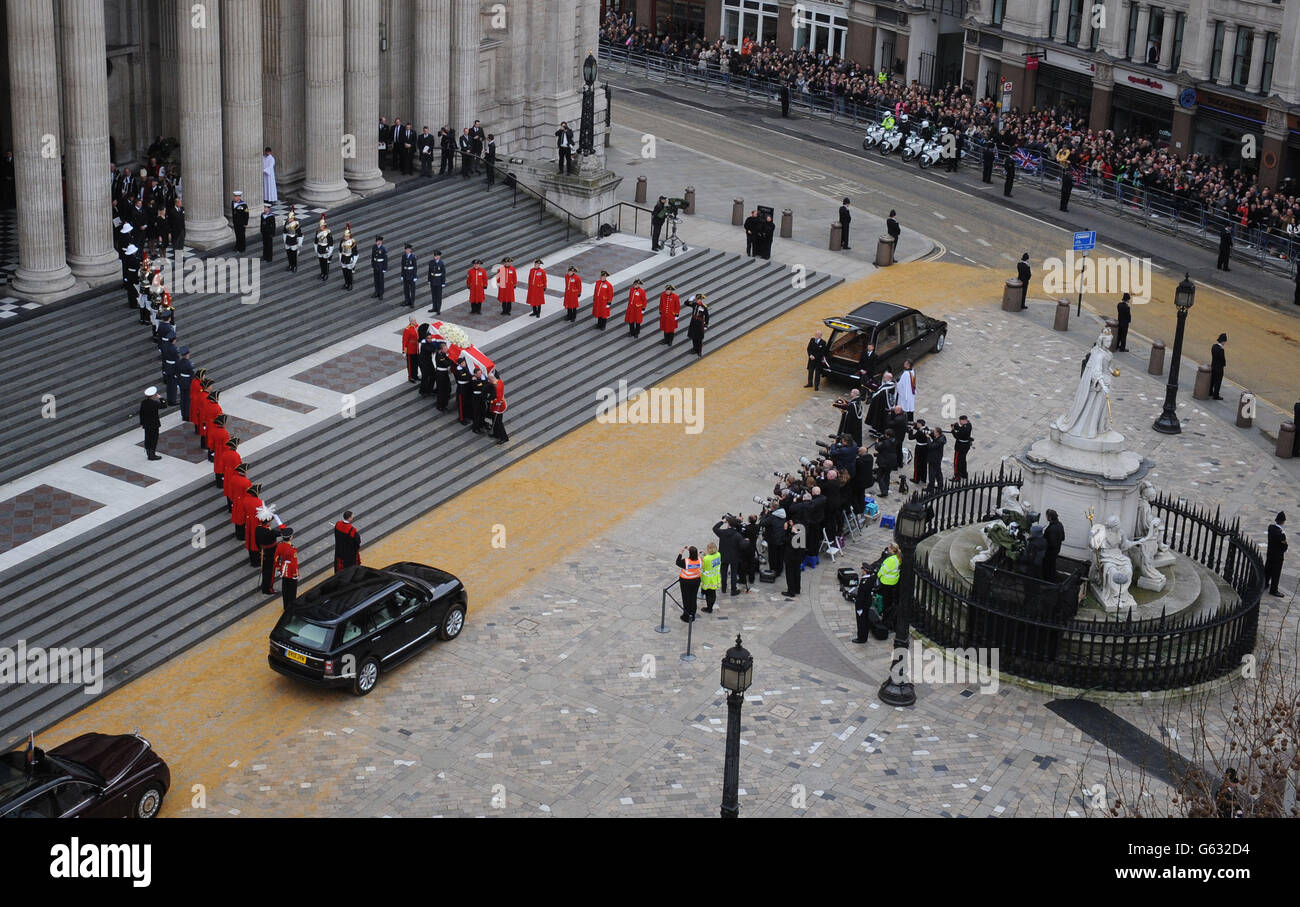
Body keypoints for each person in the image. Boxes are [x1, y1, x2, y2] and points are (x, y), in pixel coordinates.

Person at [713, 517, 744, 597]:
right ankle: (733, 590)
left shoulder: (722, 532)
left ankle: (723, 588)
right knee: (733, 573)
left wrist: (722, 521)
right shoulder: (737, 535)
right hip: (734, 556)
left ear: (728, 524)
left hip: (723, 555)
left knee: (723, 573)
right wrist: (747, 541)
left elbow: (715, 528)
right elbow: (743, 546)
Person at [255, 505, 282, 591]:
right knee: (270, 572)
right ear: (268, 522)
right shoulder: (269, 532)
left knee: (265, 571)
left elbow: (256, 542)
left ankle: (264, 586)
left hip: (263, 552)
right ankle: (268, 589)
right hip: (271, 553)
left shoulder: (258, 529)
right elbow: (281, 532)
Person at [274, 528, 299, 610]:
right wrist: (295, 574)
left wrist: (278, 568)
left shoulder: (279, 545)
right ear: (290, 537)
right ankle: (291, 608)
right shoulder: (292, 549)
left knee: (285, 590)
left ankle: (286, 606)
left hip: (283, 570)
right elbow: (294, 563)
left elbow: (276, 558)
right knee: (292, 591)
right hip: (291, 572)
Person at [676, 545, 702, 621]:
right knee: (693, 598)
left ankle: (686, 616)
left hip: (686, 581)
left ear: (690, 553)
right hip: (696, 580)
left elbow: (677, 562)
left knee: (686, 598)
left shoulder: (686, 561)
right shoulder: (700, 560)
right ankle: (692, 615)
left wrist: (681, 552)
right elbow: (697, 557)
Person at [877, 544, 901, 624]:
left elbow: (883, 570)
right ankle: (887, 616)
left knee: (886, 602)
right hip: (893, 582)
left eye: (889, 547)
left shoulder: (891, 560)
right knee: (889, 601)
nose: (887, 548)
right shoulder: (897, 558)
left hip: (886, 582)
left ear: (891, 549)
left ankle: (885, 619)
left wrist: (877, 575)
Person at [1265, 512, 1287, 597]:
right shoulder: (1281, 534)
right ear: (1283, 522)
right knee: (1276, 574)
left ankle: (1265, 583)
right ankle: (1273, 590)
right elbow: (1284, 547)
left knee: (1267, 570)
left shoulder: (1270, 528)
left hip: (1270, 554)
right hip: (1277, 557)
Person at [139, 386, 164, 461]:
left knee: (148, 438)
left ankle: (148, 453)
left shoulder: (143, 403)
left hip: (146, 424)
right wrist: (161, 398)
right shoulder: (154, 403)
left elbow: (141, 413)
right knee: (153, 439)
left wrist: (142, 423)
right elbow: (164, 405)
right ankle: (152, 455)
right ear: (153, 395)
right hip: (154, 425)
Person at [1043, 509, 1065, 581]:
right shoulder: (1060, 524)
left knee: (1048, 567)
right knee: (1052, 565)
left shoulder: (1051, 528)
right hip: (1056, 550)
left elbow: (1051, 542)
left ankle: (1047, 581)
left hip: (1049, 552)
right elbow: (1063, 538)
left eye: (1046, 516)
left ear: (1050, 517)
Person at [488, 370, 509, 444]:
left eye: (489, 380)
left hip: (498, 407)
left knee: (499, 422)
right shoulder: (499, 381)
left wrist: (490, 401)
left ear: (491, 379)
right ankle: (496, 434)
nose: (488, 381)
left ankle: (504, 437)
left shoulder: (497, 387)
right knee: (494, 420)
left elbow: (498, 399)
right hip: (496, 407)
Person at [700, 542, 721, 614]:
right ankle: (711, 606)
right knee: (713, 593)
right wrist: (706, 555)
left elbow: (703, 567)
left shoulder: (706, 559)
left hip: (708, 579)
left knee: (708, 594)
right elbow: (712, 560)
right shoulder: (718, 554)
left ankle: (709, 608)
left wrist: (703, 557)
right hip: (715, 576)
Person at [952, 415, 973, 481]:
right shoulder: (969, 425)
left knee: (957, 461)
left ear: (964, 420)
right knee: (963, 460)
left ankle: (957, 476)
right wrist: (958, 427)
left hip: (960, 447)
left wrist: (953, 430)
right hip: (966, 446)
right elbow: (962, 429)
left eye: (960, 421)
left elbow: (957, 436)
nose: (960, 422)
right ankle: (964, 474)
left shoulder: (964, 428)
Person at [313, 216, 334, 281]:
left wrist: (330, 252)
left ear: (324, 225)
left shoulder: (328, 232)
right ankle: (322, 273)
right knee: (321, 262)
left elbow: (331, 243)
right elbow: (316, 241)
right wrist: (316, 249)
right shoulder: (318, 232)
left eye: (322, 225)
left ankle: (326, 274)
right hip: (319, 248)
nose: (321, 227)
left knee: (325, 263)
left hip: (325, 249)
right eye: (320, 225)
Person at [282, 206, 302, 272]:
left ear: (293, 218)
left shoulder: (296, 224)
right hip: (288, 239)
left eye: (290, 218)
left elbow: (300, 234)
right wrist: (284, 240)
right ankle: (290, 265)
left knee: (294, 254)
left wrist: (299, 243)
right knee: (289, 254)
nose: (289, 219)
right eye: (288, 218)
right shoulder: (286, 223)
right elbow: (284, 232)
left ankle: (294, 266)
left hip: (294, 240)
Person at [925, 427, 945, 491]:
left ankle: (930, 488)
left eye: (934, 432)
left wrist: (928, 438)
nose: (933, 433)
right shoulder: (940, 437)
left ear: (937, 433)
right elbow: (933, 437)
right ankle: (940, 486)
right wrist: (929, 432)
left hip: (934, 459)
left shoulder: (939, 441)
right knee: (938, 473)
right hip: (937, 458)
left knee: (932, 474)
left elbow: (931, 446)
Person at [402, 315, 420, 383]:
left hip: (416, 348)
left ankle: (415, 375)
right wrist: (404, 351)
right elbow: (405, 341)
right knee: (410, 364)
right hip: (410, 349)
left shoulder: (417, 326)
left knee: (416, 363)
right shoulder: (407, 329)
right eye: (414, 320)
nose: (415, 321)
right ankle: (410, 377)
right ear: (411, 321)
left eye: (415, 320)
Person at [427, 250, 446, 314]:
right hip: (432, 280)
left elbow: (443, 274)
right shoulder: (431, 262)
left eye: (437, 256)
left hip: (439, 281)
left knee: (438, 296)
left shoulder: (441, 263)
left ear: (439, 256)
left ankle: (438, 309)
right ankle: (434, 308)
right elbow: (429, 272)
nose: (436, 257)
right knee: (433, 295)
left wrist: (443, 282)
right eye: (435, 256)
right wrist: (429, 280)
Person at [338, 225, 357, 290]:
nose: (346, 237)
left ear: (349, 236)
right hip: (343, 258)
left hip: (350, 259)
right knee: (345, 273)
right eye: (345, 236)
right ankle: (346, 283)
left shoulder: (352, 242)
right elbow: (340, 250)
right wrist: (340, 259)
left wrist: (353, 262)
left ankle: (350, 284)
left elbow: (355, 253)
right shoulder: (342, 241)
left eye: (347, 236)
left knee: (349, 273)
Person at [1210, 333, 1227, 399]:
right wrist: (1223, 364)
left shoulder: (1214, 346)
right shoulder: (1221, 350)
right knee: (1218, 382)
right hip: (1219, 368)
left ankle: (1210, 392)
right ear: (1223, 341)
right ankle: (1216, 395)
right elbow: (1222, 360)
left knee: (1212, 380)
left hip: (1213, 366)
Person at [400, 243, 418, 307]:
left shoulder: (413, 257)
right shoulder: (403, 256)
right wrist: (402, 275)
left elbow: (415, 267)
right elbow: (403, 266)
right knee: (406, 289)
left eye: (408, 249)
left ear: (410, 250)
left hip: (411, 275)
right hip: (405, 275)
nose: (407, 250)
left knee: (412, 290)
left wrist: (415, 276)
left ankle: (412, 302)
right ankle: (407, 301)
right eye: (406, 249)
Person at [371, 235, 388, 299]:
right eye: (377, 241)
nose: (377, 242)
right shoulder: (374, 247)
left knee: (381, 280)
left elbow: (385, 259)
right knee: (376, 280)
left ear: (381, 241)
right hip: (375, 265)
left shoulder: (383, 249)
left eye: (379, 241)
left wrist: (385, 268)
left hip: (381, 265)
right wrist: (372, 264)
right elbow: (372, 256)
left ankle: (381, 293)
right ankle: (376, 292)